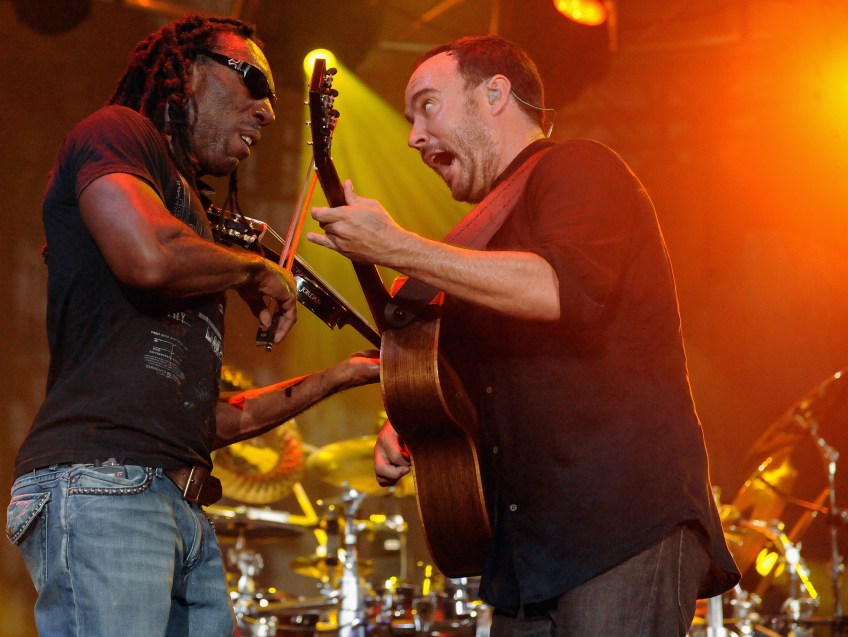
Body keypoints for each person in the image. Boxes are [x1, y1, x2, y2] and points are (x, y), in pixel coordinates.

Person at [308, 35, 739, 636]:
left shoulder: (581, 167)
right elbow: (470, 375)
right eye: (409, 118)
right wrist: (416, 419)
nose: (412, 136)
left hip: (619, 527)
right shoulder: (482, 234)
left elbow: (561, 290)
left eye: (428, 105)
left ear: (494, 94)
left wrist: (396, 246)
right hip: (527, 552)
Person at [5, 15, 379, 637]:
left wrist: (341, 376)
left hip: (176, 503)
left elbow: (206, 421)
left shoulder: (198, 239)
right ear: (191, 72)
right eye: (255, 82)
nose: (267, 112)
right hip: (104, 484)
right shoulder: (116, 134)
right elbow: (146, 256)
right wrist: (255, 271)